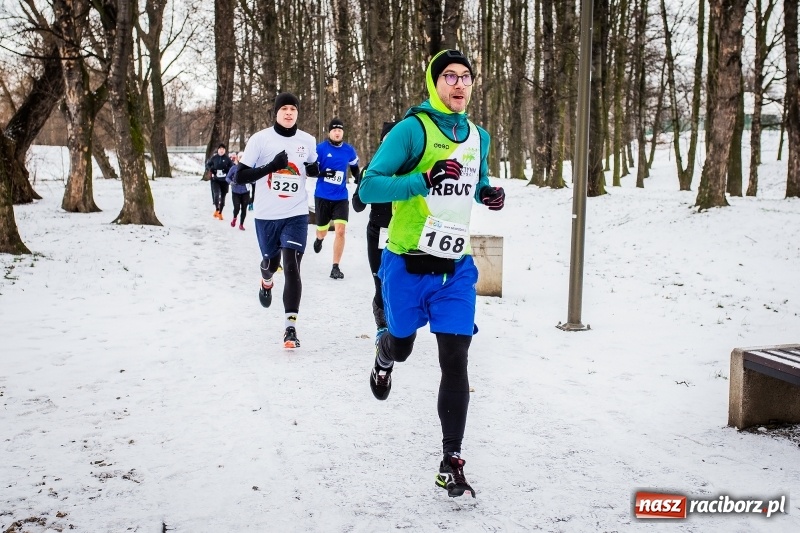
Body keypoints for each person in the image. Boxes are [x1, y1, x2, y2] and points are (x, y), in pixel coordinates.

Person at [358, 49, 506, 499]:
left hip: (455, 271)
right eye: (448, 77)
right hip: (406, 264)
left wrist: (487, 194)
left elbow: (472, 183)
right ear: (433, 82)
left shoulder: (479, 135)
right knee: (402, 348)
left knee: (456, 360)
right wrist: (422, 179)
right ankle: (384, 352)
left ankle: (451, 460)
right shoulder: (412, 130)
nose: (458, 84)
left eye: (466, 77)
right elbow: (369, 186)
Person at [234, 92, 319, 348]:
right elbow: (240, 176)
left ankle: (290, 329)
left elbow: (312, 166)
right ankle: (266, 278)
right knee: (271, 263)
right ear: (276, 112)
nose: (289, 113)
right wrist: (271, 166)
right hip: (266, 215)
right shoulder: (260, 140)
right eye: (284, 109)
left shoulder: (308, 140)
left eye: (293, 108)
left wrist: (316, 170)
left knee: (291, 264)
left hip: (296, 213)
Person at [352, 121, 397, 330]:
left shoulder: (412, 169)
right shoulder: (371, 168)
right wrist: (365, 186)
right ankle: (382, 327)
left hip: (406, 234)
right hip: (378, 233)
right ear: (381, 142)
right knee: (381, 283)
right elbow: (357, 205)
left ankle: (398, 326)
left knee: (399, 283)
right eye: (388, 139)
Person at [312, 118, 360, 280]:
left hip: (340, 197)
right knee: (323, 231)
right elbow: (311, 170)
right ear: (329, 132)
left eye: (340, 130)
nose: (337, 132)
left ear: (343, 132)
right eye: (334, 130)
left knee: (340, 231)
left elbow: (354, 169)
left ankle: (335, 266)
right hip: (322, 196)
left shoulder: (349, 150)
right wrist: (323, 173)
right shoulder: (321, 149)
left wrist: (360, 181)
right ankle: (319, 239)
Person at [206, 144, 234, 219]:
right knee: (216, 194)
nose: (221, 150)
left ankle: (220, 212)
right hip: (216, 180)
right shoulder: (214, 158)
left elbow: (232, 167)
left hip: (224, 181)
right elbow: (208, 165)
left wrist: (227, 170)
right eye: (220, 149)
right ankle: (217, 209)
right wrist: (212, 169)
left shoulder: (227, 158)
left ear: (225, 150)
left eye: (223, 149)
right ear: (218, 150)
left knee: (223, 197)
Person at [225, 152, 249, 230]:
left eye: (243, 157)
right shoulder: (233, 168)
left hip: (245, 191)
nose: (241, 158)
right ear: (237, 158)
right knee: (237, 207)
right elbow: (227, 177)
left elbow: (253, 178)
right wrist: (231, 182)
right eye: (240, 157)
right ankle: (234, 218)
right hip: (236, 191)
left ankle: (241, 224)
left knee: (244, 208)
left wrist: (252, 180)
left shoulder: (248, 168)